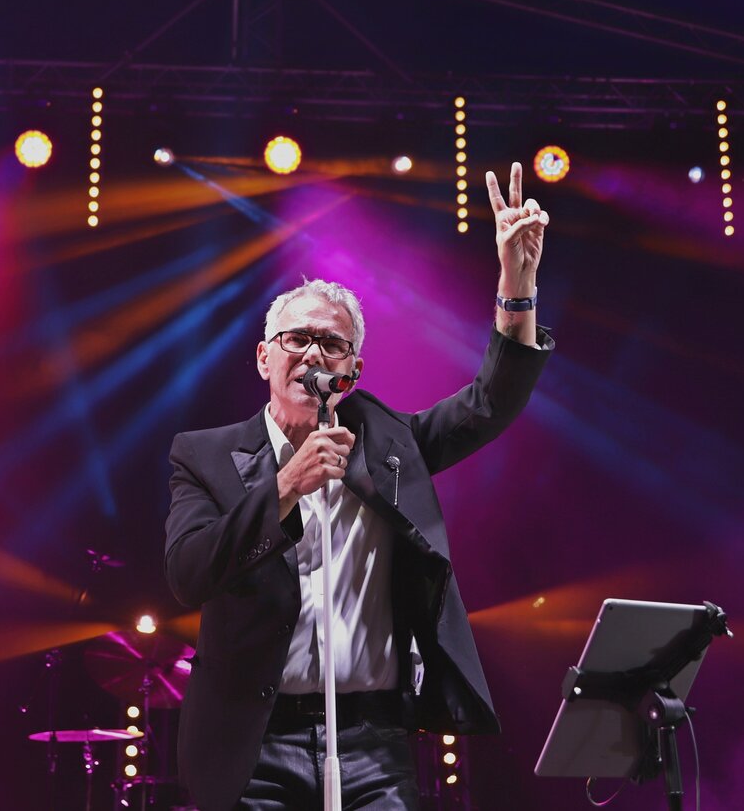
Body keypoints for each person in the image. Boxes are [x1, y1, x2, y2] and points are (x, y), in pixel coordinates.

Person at [164, 162, 553, 810]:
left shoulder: (392, 445)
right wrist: (284, 486)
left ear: (353, 370)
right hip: (255, 741)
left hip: (372, 737)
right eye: (297, 339)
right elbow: (188, 573)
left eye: (332, 345)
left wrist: (517, 286)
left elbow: (489, 404)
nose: (313, 354)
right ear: (264, 357)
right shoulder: (204, 456)